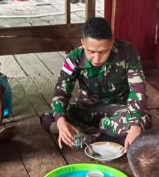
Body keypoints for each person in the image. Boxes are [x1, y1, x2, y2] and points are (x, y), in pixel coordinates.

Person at [45, 17, 150, 151]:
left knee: (142, 121)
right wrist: (60, 120)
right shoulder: (74, 58)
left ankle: (87, 137)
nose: (96, 58)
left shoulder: (127, 52)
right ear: (82, 43)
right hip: (87, 109)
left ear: (112, 43)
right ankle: (103, 136)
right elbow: (61, 92)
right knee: (51, 117)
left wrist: (135, 125)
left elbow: (138, 90)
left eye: (103, 52)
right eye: (91, 51)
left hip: (118, 110)